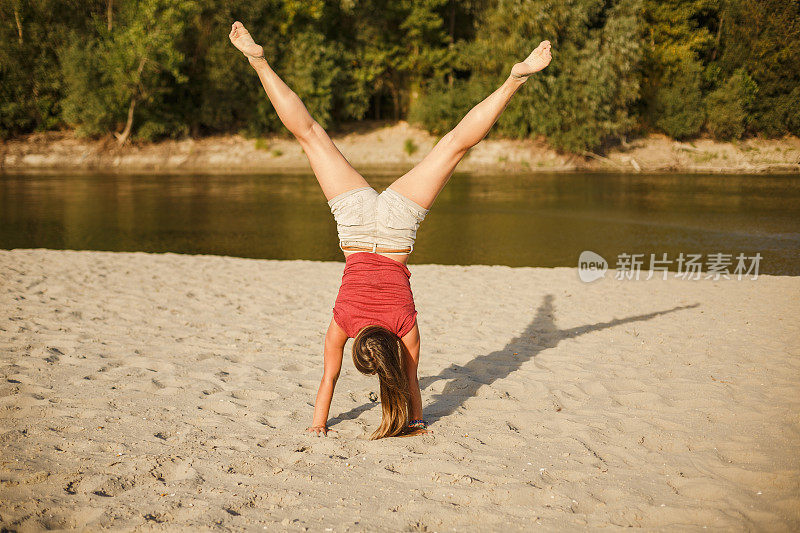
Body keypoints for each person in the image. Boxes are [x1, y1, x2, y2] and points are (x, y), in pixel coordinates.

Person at [229, 21, 552, 439]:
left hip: (397, 229)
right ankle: (259, 63)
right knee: (309, 136)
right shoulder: (342, 322)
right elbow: (328, 379)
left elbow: (412, 383)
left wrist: (415, 421)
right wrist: (317, 425)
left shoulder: (405, 327)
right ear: (361, 344)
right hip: (357, 225)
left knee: (454, 144)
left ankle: (513, 80)